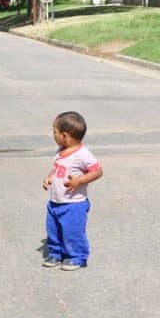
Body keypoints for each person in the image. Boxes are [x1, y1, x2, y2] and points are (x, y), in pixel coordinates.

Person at [42, 111, 103, 270]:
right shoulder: (61, 150)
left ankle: (77, 257)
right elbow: (58, 169)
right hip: (56, 201)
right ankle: (56, 253)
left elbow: (97, 171)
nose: (52, 134)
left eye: (54, 131)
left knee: (72, 231)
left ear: (64, 135)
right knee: (53, 229)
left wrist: (79, 181)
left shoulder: (83, 154)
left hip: (73, 204)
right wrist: (49, 177)